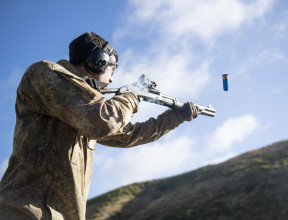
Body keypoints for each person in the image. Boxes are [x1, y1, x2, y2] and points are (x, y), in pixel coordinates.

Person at [0, 32, 198, 220]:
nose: (111, 79)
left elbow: (128, 135)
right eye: (112, 68)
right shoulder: (44, 73)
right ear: (98, 62)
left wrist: (175, 118)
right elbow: (105, 121)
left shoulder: (83, 110)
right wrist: (131, 96)